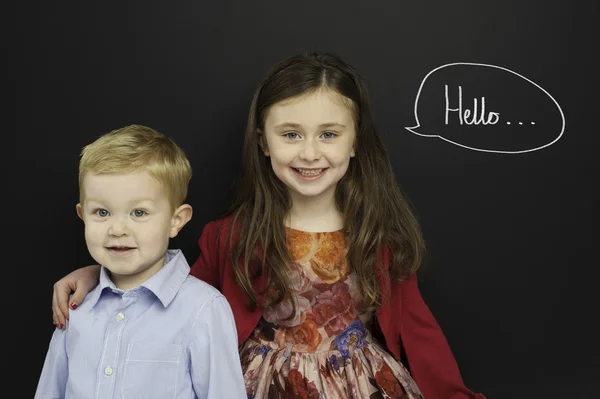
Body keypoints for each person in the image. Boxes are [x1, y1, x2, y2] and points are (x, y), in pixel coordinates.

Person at [51, 54, 485, 399]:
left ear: (355, 142)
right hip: (258, 385)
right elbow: (176, 295)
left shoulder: (377, 234)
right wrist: (104, 275)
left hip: (358, 383)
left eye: (329, 134)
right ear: (262, 140)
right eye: (291, 134)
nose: (310, 153)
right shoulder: (231, 235)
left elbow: (417, 329)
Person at [36, 125, 245, 398]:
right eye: (102, 212)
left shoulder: (203, 310)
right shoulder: (76, 307)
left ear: (176, 220)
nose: (118, 229)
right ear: (82, 215)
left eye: (138, 212)